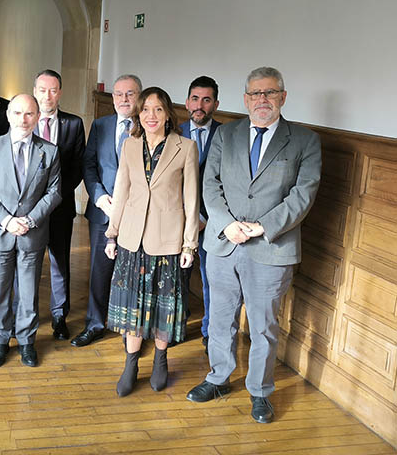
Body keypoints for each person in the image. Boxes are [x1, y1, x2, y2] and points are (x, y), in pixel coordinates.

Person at [187, 67, 321, 424]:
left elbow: (302, 196)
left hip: (271, 249)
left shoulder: (305, 141)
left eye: (270, 93)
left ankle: (260, 391)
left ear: (283, 97)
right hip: (224, 243)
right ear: (245, 99)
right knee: (219, 319)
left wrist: (262, 227)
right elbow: (208, 184)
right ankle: (217, 378)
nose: (262, 99)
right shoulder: (225, 134)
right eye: (255, 94)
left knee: (262, 327)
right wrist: (226, 224)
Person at [104, 86, 199, 396]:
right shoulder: (129, 146)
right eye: (145, 109)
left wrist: (189, 244)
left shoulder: (185, 147)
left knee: (162, 307)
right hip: (132, 240)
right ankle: (131, 364)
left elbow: (191, 199)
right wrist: (112, 233)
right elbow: (121, 192)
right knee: (133, 306)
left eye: (158, 109)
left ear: (168, 113)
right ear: (138, 114)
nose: (151, 116)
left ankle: (160, 359)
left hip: (168, 241)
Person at [0, 94, 62, 368]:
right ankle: (0, 341)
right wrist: (6, 220)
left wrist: (30, 220)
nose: (23, 120)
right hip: (0, 232)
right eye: (17, 113)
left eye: (29, 114)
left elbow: (54, 192)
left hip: (31, 233)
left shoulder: (49, 151)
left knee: (28, 292)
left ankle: (27, 341)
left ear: (37, 117)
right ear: (8, 115)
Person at [72, 74, 142, 348]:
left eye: (130, 94)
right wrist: (100, 197)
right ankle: (95, 324)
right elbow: (89, 165)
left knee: (133, 272)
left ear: (139, 96)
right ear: (112, 97)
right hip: (103, 212)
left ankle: (130, 327)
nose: (124, 99)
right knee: (100, 271)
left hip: (137, 215)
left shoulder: (148, 126)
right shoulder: (100, 125)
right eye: (119, 94)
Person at [31, 69, 85, 341]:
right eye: (42, 89)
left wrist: (53, 197)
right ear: (35, 91)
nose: (47, 95)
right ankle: (26, 313)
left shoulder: (74, 124)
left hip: (61, 206)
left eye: (53, 90)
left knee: (59, 261)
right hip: (27, 210)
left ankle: (59, 315)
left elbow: (77, 167)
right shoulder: (22, 120)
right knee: (28, 262)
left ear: (60, 93)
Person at [179, 75, 222, 352]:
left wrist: (204, 218)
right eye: (195, 98)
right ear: (186, 102)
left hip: (211, 222)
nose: (200, 105)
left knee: (210, 280)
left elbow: (227, 182)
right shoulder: (174, 132)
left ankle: (209, 331)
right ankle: (176, 325)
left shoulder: (227, 135)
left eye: (206, 100)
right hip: (176, 220)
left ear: (215, 104)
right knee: (177, 278)